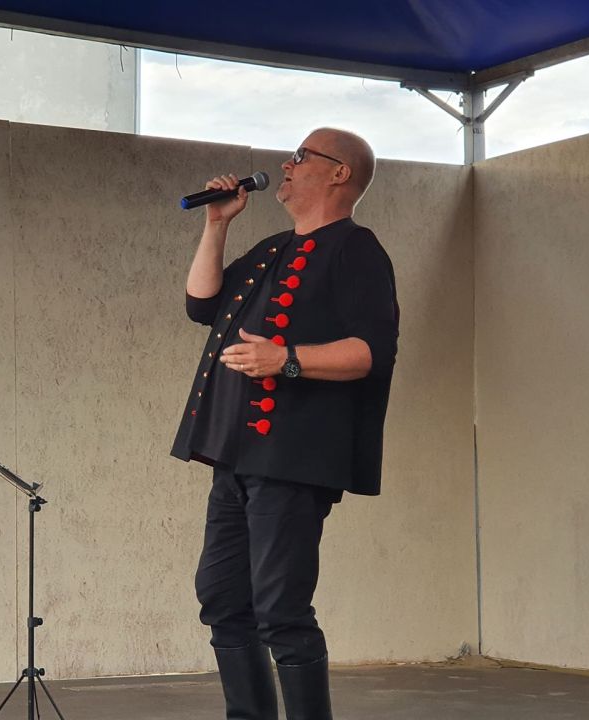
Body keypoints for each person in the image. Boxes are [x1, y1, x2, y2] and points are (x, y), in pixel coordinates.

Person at [171, 128, 399, 720]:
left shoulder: (357, 249)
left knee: (281, 610)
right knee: (222, 599)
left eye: (300, 156)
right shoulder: (272, 248)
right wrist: (216, 224)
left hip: (294, 459)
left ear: (340, 173)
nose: (286, 164)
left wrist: (286, 359)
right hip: (235, 455)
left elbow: (370, 352)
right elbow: (201, 303)